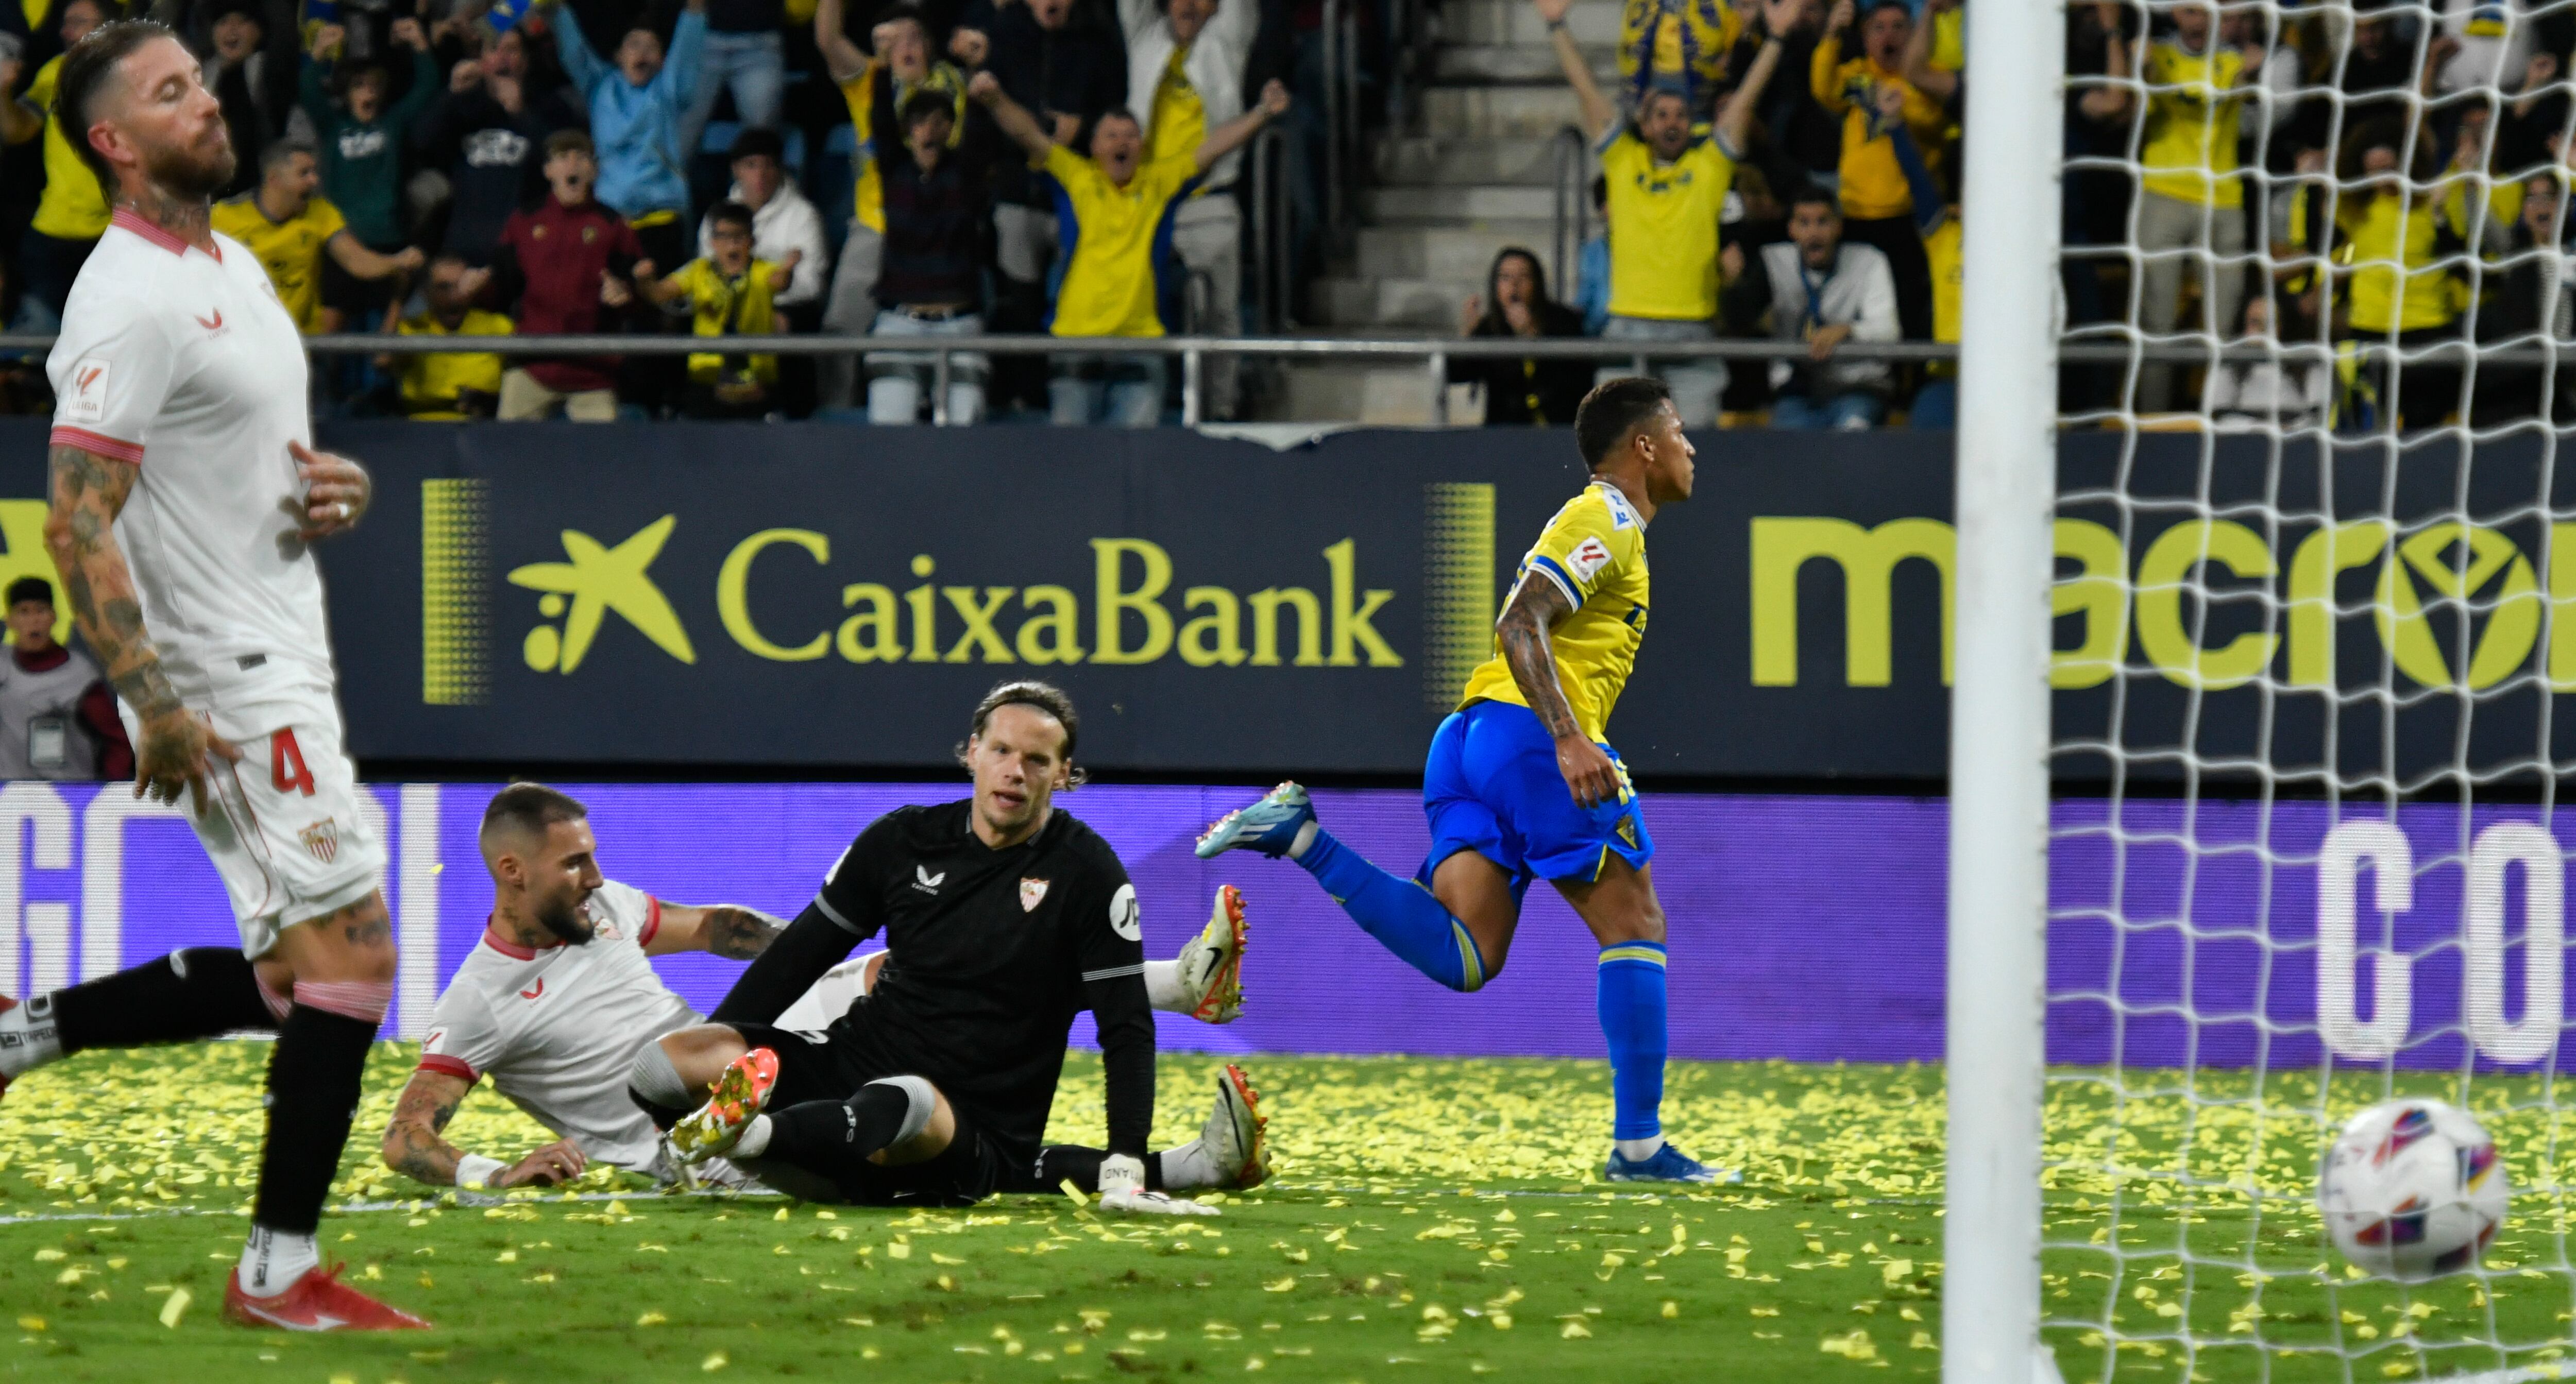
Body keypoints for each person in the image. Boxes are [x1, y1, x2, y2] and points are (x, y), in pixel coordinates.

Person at [19, 17, 423, 1329]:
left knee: (283, 976)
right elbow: (76, 518)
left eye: (202, 79)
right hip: (220, 680)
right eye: (169, 92)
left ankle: (30, 1031)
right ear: (113, 142)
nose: (205, 102)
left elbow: (254, 472)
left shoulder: (234, 264)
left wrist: (331, 490)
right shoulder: (125, 295)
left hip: (281, 648)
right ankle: (276, 1267)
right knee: (354, 956)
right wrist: (153, 699)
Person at [1196, 380, 1725, 1186]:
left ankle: (1299, 834)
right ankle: (1640, 1147)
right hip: (1529, 741)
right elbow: (1520, 622)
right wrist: (1569, 736)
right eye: (1681, 432)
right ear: (1645, 447)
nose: (1693, 448)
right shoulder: (1607, 517)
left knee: (1467, 954)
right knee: (1636, 921)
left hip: (1469, 738)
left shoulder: (1610, 526)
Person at [383, 782, 1262, 1194]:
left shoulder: (603, 903)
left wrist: (819, 944)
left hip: (743, 1056)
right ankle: (1181, 1138)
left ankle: (1177, 984)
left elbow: (718, 929)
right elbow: (407, 1138)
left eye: (592, 855)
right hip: (686, 1136)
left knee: (903, 974)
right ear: (509, 870)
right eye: (573, 862)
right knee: (923, 1127)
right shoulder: (480, 1001)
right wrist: (499, 1174)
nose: (594, 874)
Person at [634, 682, 1233, 1214]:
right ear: (972, 752)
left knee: (905, 1099)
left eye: (1036, 759)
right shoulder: (901, 840)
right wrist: (727, 1066)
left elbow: (1124, 1025)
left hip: (968, 1125)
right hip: (849, 1065)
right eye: (1000, 751)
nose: (1014, 771)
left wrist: (1125, 1167)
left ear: (1063, 774)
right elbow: (797, 957)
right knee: (661, 1064)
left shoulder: (1089, 871)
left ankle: (747, 1139)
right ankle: (721, 1137)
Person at [971, 69, 1288, 427]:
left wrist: (1261, 112)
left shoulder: (1159, 183)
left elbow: (1212, 147)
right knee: (1074, 461)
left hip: (1141, 347)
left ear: (1142, 146)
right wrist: (996, 99)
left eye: (1130, 136)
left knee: (1136, 463)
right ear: (1095, 147)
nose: (1121, 143)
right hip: (1076, 344)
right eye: (1111, 136)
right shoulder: (1075, 176)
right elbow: (1027, 133)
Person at [1541, 0, 1795, 429]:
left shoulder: (1708, 167)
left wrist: (1776, 39)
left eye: (1680, 114)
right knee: (1617, 461)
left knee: (1689, 464)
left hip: (1693, 335)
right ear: (1645, 121)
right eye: (1661, 115)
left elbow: (1743, 104)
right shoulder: (1624, 161)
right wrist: (1557, 26)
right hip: (1626, 331)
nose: (1672, 123)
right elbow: (1587, 91)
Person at [2081, 0, 2260, 413]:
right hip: (2163, 197)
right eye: (2188, 12)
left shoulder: (2236, 61)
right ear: (2175, 16)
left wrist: (2252, 76)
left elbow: (2252, 108)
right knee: (2156, 324)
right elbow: (2136, 101)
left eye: (2203, 12)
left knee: (2224, 325)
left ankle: (2221, 416)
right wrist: (2140, 67)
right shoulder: (2155, 54)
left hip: (2224, 200)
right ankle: (2152, 420)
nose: (2196, 21)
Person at [813, 0, 967, 410]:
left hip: (939, 231)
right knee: (839, 330)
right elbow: (828, 39)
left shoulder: (955, 85)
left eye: (914, 36)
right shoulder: (869, 81)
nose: (906, 45)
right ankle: (836, 419)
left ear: (931, 46)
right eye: (894, 39)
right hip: (876, 228)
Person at [1120, 0, 1261, 419]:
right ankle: (1151, 399)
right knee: (1142, 305)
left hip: (1212, 200)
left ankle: (1221, 407)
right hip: (1151, 203)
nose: (1190, 5)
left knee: (1222, 314)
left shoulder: (1226, 41)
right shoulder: (1145, 39)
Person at [484, 128, 650, 422]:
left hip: (594, 373)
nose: (572, 165)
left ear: (595, 171)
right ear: (548, 171)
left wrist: (625, 294)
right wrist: (479, 284)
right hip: (532, 366)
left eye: (582, 157)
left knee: (603, 463)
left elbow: (637, 298)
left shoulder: (615, 226)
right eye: (563, 158)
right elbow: (502, 287)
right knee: (506, 458)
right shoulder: (523, 222)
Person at [1807, 0, 1943, 340]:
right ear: (1866, 38)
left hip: (1907, 217)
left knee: (1908, 306)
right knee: (1857, 305)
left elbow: (1934, 121)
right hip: (1856, 215)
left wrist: (1901, 108)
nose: (1889, 36)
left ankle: (1909, 386)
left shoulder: (1927, 78)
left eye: (1899, 27)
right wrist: (1832, 35)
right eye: (1878, 28)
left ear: (1914, 36)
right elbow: (1823, 88)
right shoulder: (1856, 75)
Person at [544, 0, 705, 268]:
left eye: (651, 47)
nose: (642, 53)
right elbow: (576, 52)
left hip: (662, 217)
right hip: (611, 217)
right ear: (618, 55)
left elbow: (687, 51)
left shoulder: (668, 91)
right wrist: (558, 11)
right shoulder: (599, 86)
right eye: (633, 45)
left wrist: (695, 11)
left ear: (662, 60)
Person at [866, 88, 993, 424]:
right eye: (920, 123)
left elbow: (979, 135)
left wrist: (975, 75)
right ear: (908, 132)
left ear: (951, 130)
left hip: (959, 324)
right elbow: (880, 125)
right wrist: (880, 65)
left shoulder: (964, 177)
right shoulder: (895, 173)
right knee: (889, 434)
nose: (930, 131)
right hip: (898, 323)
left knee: (963, 432)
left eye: (940, 123)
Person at [409, 24, 583, 266]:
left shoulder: (549, 106)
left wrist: (520, 113)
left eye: (511, 50)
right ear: (481, 60)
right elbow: (421, 142)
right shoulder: (463, 105)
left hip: (525, 250)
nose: (502, 58)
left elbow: (568, 164)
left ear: (526, 61)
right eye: (494, 50)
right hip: (465, 248)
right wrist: (451, 94)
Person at [212, 137, 426, 333]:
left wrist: (397, 261)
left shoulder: (321, 213)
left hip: (302, 344)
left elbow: (357, 261)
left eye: (315, 172)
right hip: (246, 340)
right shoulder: (224, 217)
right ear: (274, 179)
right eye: (304, 173)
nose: (314, 181)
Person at [1734, 182, 1900, 428]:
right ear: (1791, 229)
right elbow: (1740, 318)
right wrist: (1735, 284)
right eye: (1804, 223)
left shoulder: (1869, 261)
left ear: (1838, 226)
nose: (1814, 233)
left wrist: (1848, 330)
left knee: (1852, 434)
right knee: (1789, 444)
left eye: (1823, 222)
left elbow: (1890, 332)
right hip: (1796, 394)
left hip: (1856, 389)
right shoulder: (1773, 261)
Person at [298, 18, 439, 294]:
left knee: (385, 322)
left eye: (375, 85)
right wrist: (319, 52)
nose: (369, 91)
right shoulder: (334, 125)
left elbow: (427, 88)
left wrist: (420, 44)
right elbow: (308, 92)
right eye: (360, 85)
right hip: (344, 240)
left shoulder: (393, 122)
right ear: (348, 93)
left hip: (389, 235)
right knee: (339, 322)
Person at [0, 0, 113, 324]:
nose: (66, 31)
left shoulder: (138, 76)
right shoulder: (56, 71)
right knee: (41, 341)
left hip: (118, 235)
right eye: (66, 23)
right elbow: (19, 131)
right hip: (54, 234)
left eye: (79, 22)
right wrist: (3, 93)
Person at [639, 199, 794, 418]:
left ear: (751, 240)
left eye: (738, 237)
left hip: (758, 384)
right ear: (712, 242)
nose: (731, 245)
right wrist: (645, 280)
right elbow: (659, 294)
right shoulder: (699, 271)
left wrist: (788, 269)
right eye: (723, 237)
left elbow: (780, 282)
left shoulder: (763, 271)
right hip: (707, 382)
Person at [0, 574, 131, 780]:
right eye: (24, 612)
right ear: (10, 620)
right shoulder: (3, 664)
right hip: (8, 796)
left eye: (41, 611)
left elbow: (117, 740)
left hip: (66, 795)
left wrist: (107, 794)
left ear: (53, 617)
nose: (34, 621)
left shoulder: (78, 675)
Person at [696, 127, 828, 318]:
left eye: (769, 165)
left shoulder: (804, 215)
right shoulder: (716, 216)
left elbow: (810, 286)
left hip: (784, 309)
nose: (761, 175)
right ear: (736, 170)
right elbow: (706, 272)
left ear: (780, 169)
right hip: (729, 306)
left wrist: (757, 297)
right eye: (751, 165)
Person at [1452, 247, 1591, 427]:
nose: (1514, 285)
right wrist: (1467, 336)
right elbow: (1456, 375)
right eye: (1505, 278)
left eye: (1524, 277)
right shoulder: (1490, 327)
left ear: (1537, 283)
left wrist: (1530, 335)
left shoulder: (1564, 321)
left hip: (1558, 429)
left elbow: (1577, 380)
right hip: (1505, 430)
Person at [388, 251, 513, 418]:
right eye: (443, 287)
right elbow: (383, 361)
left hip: (482, 429)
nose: (454, 296)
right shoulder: (412, 329)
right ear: (427, 293)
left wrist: (489, 400)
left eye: (460, 285)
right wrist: (399, 296)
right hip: (423, 431)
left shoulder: (497, 326)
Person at [199, 0, 293, 198]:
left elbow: (284, 33)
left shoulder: (269, 71)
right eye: (223, 22)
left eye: (242, 22)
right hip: (212, 196)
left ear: (260, 31)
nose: (232, 30)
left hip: (258, 196)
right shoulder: (200, 76)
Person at [681, 0, 784, 155]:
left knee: (762, 134)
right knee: (677, 132)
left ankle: (753, 179)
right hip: (700, 33)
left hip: (760, 37)